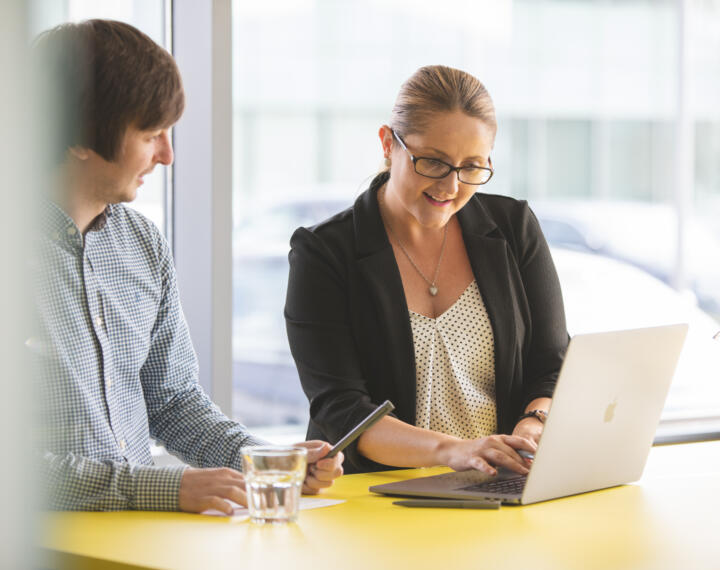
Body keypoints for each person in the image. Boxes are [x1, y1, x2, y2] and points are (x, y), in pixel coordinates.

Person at [31, 19, 343, 514]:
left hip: (136, 546)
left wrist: (266, 460)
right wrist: (167, 489)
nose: (168, 155)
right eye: (152, 134)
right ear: (78, 138)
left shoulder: (141, 244)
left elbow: (173, 402)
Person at [285, 65, 569, 475]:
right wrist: (455, 451)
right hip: (374, 500)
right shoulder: (324, 252)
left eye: (472, 167)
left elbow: (553, 364)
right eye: (433, 162)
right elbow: (342, 408)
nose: (451, 187)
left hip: (496, 487)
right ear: (388, 144)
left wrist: (534, 421)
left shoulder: (513, 229)